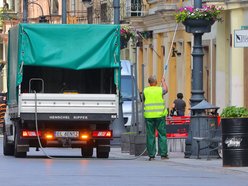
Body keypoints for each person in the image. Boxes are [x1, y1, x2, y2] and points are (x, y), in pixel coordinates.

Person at [143, 75, 168, 161]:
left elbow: (143, 99)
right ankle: (163, 154)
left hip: (149, 116)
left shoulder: (145, 90)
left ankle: (151, 155)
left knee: (150, 135)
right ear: (156, 82)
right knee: (162, 135)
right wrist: (163, 81)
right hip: (160, 115)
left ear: (149, 83)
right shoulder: (159, 89)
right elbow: (166, 89)